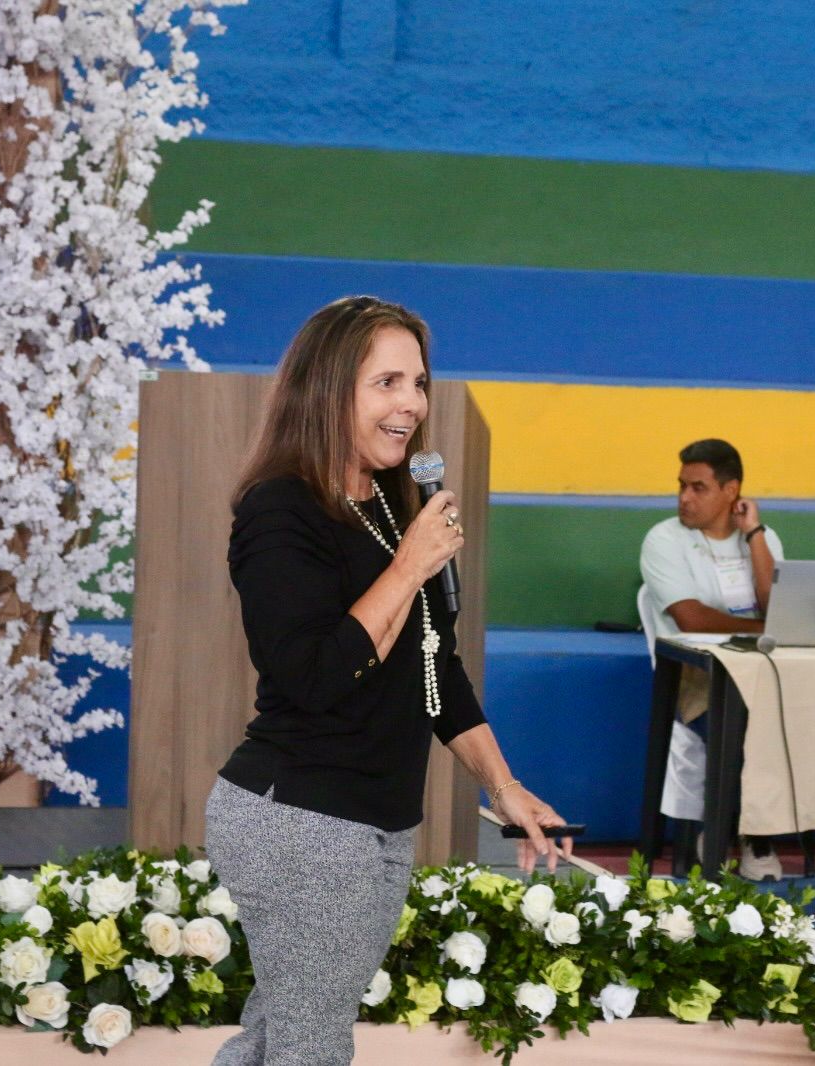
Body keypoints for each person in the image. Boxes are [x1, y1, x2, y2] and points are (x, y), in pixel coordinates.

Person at [206, 295, 574, 1066]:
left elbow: (435, 666)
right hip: (302, 819)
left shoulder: (388, 503)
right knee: (309, 1049)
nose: (412, 404)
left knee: (277, 1038)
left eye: (419, 382)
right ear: (327, 389)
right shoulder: (280, 510)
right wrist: (409, 567)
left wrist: (502, 786)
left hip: (372, 820)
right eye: (387, 382)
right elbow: (312, 676)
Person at [640, 438, 785, 879]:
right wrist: (767, 628)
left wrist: (754, 535)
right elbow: (692, 618)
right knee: (746, 716)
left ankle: (756, 829)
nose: (684, 497)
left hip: (762, 671)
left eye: (698, 487)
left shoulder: (764, 539)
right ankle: (734, 830)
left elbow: (778, 606)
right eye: (681, 485)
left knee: (804, 711)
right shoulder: (664, 539)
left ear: (731, 490)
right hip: (695, 677)